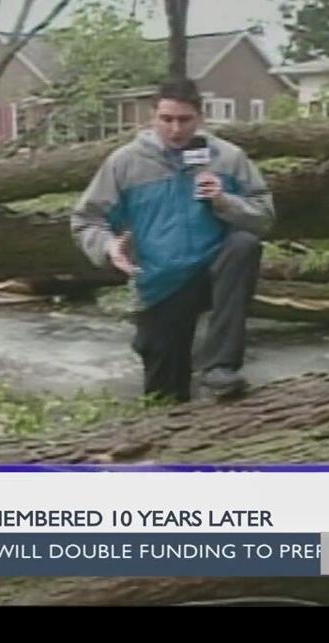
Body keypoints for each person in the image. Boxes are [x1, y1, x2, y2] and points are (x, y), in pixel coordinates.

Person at [71, 78, 275, 402]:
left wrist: (224, 201)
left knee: (244, 245)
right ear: (153, 118)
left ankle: (220, 365)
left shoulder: (228, 158)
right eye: (167, 119)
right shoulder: (125, 162)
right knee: (165, 396)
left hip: (212, 270)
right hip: (160, 281)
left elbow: (263, 218)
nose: (176, 129)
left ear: (200, 118)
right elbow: (86, 218)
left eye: (184, 120)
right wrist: (109, 247)